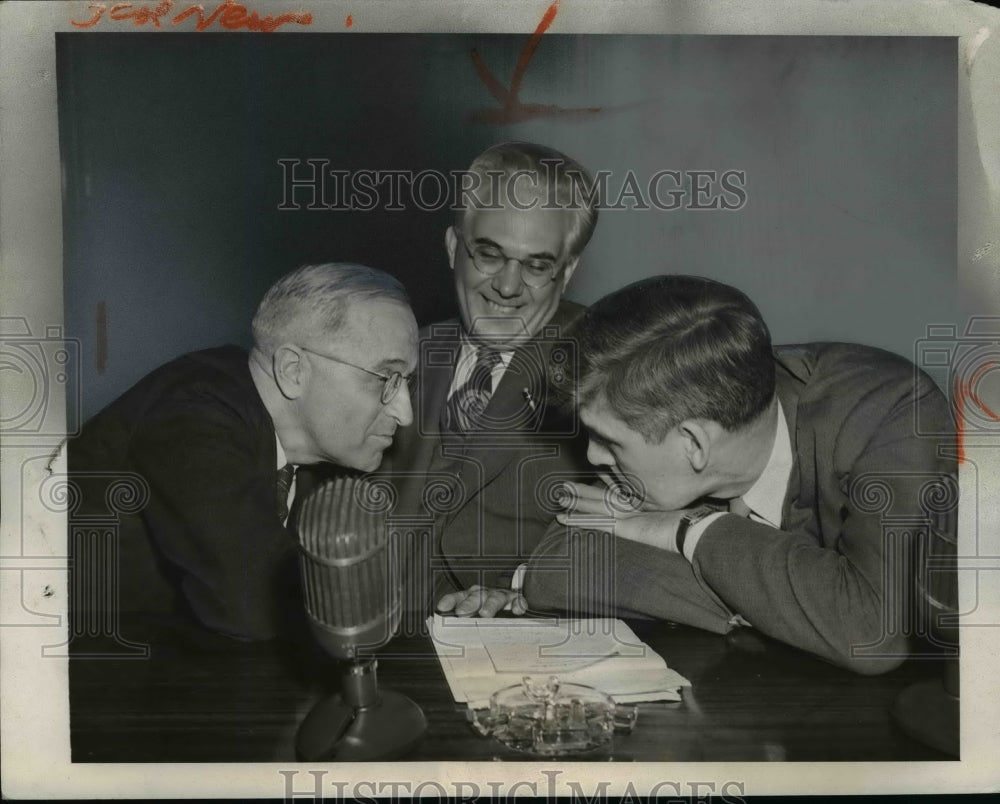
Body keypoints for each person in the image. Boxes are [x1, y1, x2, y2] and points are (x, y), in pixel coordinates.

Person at [523, 274, 957, 674]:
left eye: (608, 440)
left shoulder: (893, 413)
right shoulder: (674, 403)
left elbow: (871, 634)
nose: (594, 457)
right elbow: (559, 565)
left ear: (693, 444)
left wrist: (687, 530)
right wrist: (796, 606)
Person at [67, 263, 418, 641]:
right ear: (293, 370)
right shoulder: (192, 413)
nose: (405, 412)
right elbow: (251, 607)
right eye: (385, 379)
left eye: (407, 382)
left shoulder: (311, 457)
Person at [383, 142, 599, 620]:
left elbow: (652, 540)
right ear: (453, 247)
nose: (507, 286)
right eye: (489, 254)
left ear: (567, 272)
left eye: (537, 265)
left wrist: (527, 591)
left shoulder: (609, 372)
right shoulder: (395, 354)